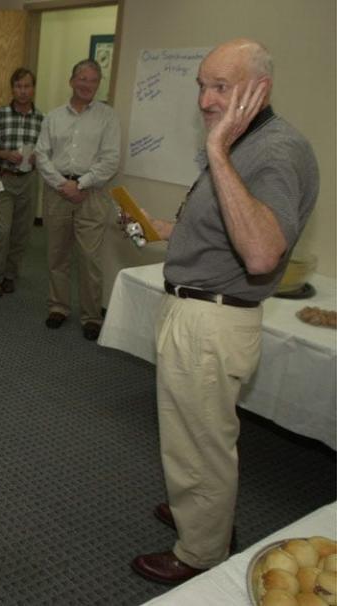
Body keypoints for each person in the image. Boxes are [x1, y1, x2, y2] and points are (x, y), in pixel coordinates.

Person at [129, 39, 319, 585]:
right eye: (202, 85)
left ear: (260, 89)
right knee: (193, 436)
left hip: (214, 321)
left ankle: (201, 552)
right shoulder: (242, 141)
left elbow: (261, 252)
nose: (205, 100)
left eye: (221, 86)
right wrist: (162, 228)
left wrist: (215, 151)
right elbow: (222, 228)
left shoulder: (276, 151)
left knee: (203, 444)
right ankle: (203, 515)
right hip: (197, 311)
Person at [35, 59, 120, 340]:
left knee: (89, 258)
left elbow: (110, 160)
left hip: (91, 193)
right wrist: (63, 184)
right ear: (72, 81)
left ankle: (92, 316)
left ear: (98, 85)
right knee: (56, 255)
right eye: (82, 78)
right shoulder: (54, 117)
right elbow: (41, 155)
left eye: (93, 80)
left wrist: (80, 184)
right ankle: (58, 306)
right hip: (57, 191)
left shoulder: (108, 117)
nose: (87, 84)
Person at [0, 67, 44, 298]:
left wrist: (39, 157)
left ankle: (10, 276)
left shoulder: (42, 120)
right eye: (18, 86)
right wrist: (5, 154)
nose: (23, 91)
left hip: (28, 180)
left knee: (21, 232)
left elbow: (49, 151)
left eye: (27, 86)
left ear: (33, 89)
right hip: (3, 179)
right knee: (2, 230)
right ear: (12, 89)